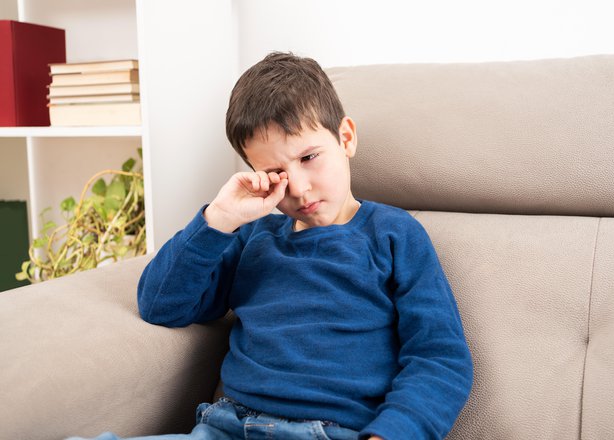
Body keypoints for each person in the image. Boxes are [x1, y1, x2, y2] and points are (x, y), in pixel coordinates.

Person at [76, 52, 473, 440]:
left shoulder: (394, 235)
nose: (299, 188)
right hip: (224, 426)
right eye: (275, 173)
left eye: (309, 157)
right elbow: (161, 305)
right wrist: (219, 219)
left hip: (331, 431)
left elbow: (440, 359)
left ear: (346, 138)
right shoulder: (253, 236)